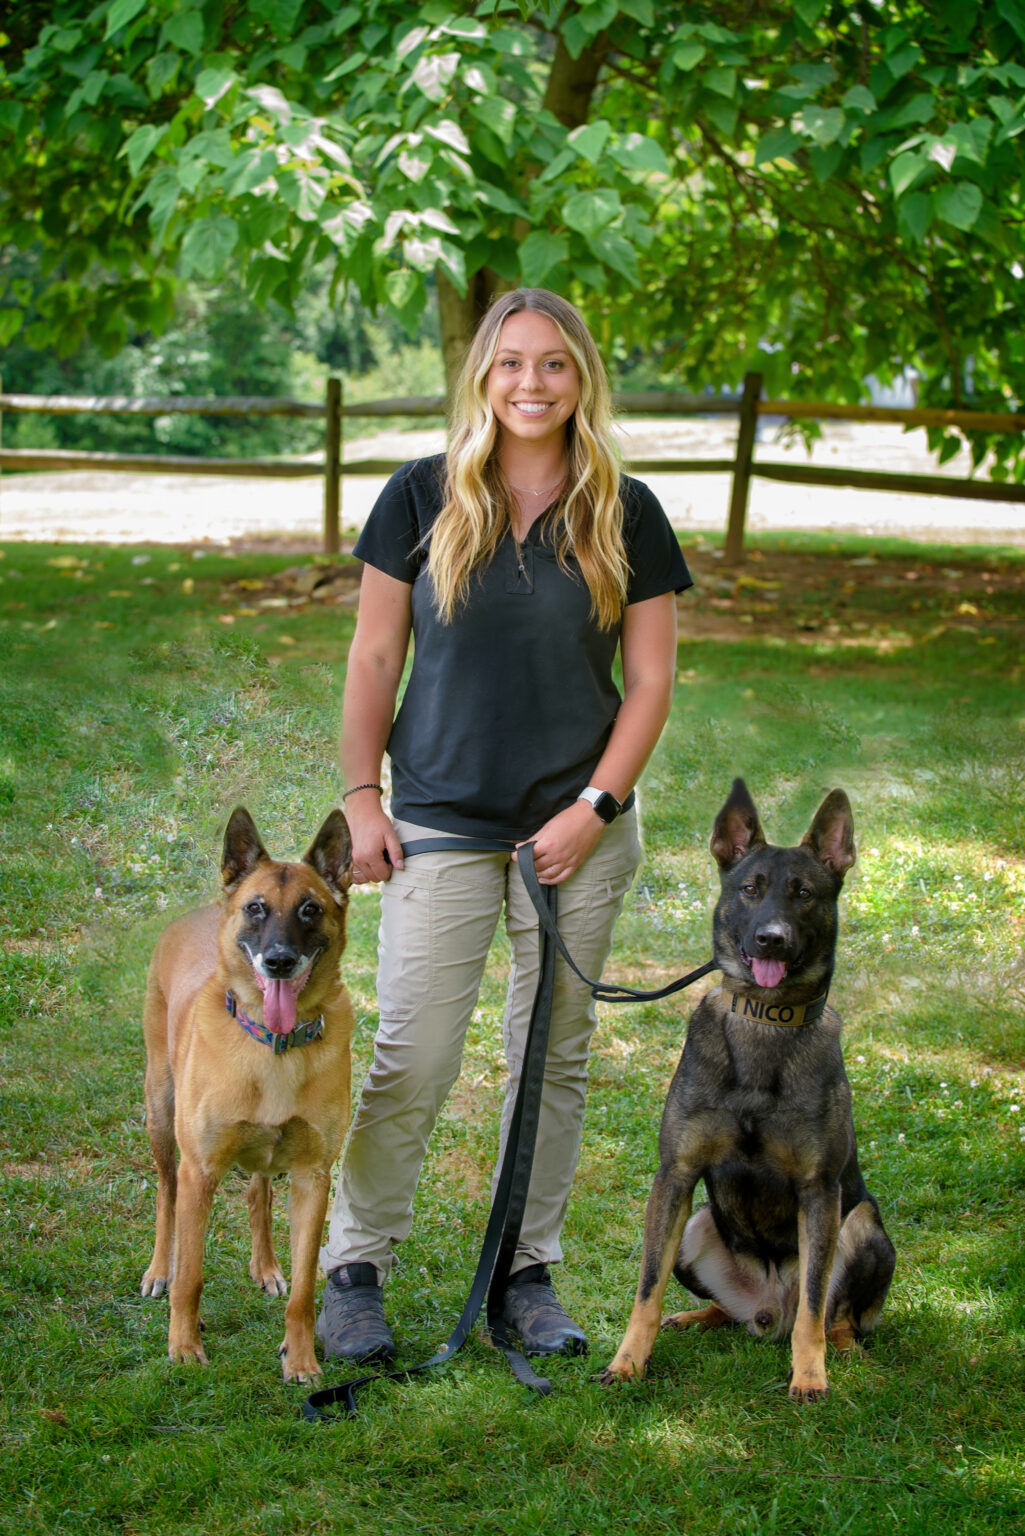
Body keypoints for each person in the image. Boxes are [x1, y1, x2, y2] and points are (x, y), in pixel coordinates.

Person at [317, 287, 692, 1363]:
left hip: (575, 827)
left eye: (554, 365)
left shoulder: (626, 510)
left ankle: (527, 1274)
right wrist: (361, 798)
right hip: (436, 817)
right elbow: (375, 658)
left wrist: (593, 808)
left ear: (582, 379)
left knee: (551, 1056)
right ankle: (355, 1267)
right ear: (481, 374)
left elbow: (652, 682)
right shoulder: (419, 496)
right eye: (512, 363)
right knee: (414, 1054)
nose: (531, 384)